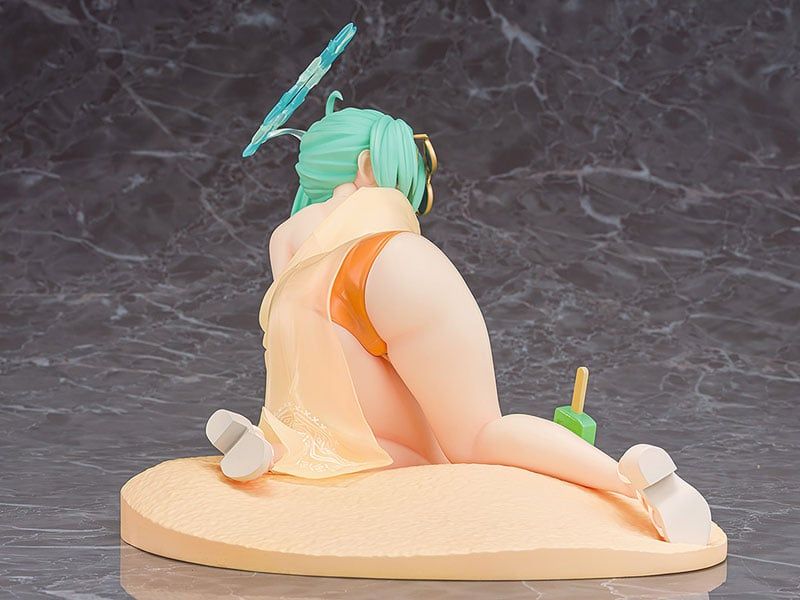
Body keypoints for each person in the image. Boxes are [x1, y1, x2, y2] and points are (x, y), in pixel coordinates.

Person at [206, 92, 712, 545]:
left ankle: (278, 449)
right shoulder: (384, 221)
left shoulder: (287, 234)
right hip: (393, 266)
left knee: (355, 436)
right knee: (477, 433)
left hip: (314, 295)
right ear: (368, 166)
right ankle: (630, 480)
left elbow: (301, 341)